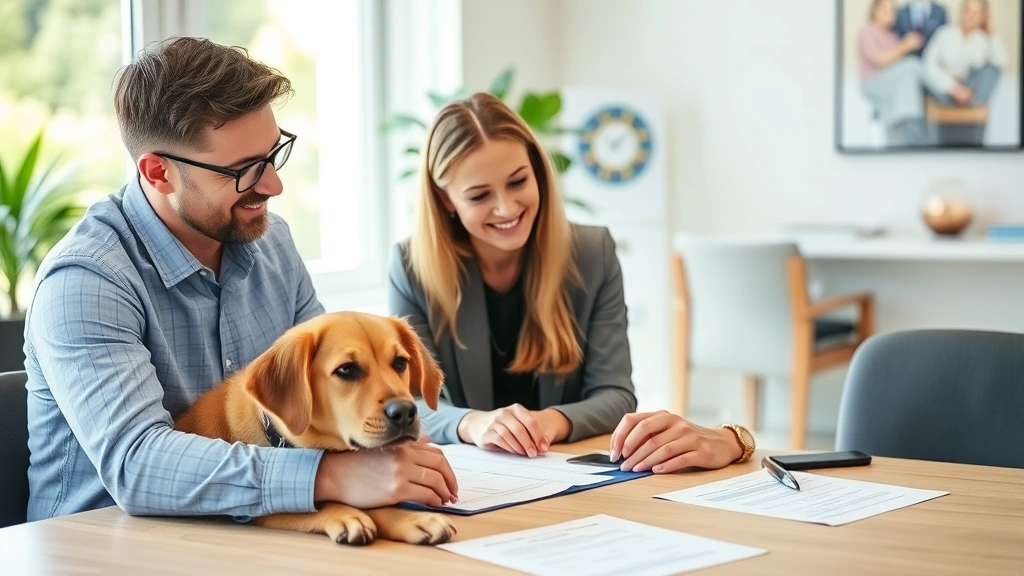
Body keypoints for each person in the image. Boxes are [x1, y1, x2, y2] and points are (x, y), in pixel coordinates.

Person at [24, 37, 457, 522]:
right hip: (101, 546)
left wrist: (464, 427)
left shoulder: (270, 243)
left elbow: (334, 397)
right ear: (158, 171)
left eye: (273, 154)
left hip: (251, 530)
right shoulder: (87, 281)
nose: (273, 184)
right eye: (244, 169)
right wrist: (328, 478)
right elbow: (137, 465)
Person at [388, 92, 754, 473]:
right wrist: (473, 423)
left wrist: (548, 421)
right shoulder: (411, 267)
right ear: (445, 200)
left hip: (568, 468)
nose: (507, 208)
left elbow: (616, 395)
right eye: (479, 195)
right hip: (472, 478)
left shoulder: (592, 253)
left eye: (518, 182)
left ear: (538, 171)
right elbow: (408, 402)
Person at [858, 0, 932, 146]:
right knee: (912, 64)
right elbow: (880, 60)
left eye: (892, 10)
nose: (889, 14)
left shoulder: (892, 36)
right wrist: (905, 46)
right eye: (885, 9)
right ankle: (946, 91)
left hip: (891, 85)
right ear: (875, 11)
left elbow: (897, 68)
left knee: (908, 79)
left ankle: (911, 127)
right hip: (873, 83)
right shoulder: (867, 31)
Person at [923, 0, 1005, 108]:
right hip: (944, 91)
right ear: (961, 11)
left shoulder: (984, 40)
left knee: (991, 70)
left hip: (971, 94)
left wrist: (990, 33)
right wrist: (953, 88)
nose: (970, 16)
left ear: (983, 17)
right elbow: (928, 65)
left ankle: (974, 110)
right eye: (968, 11)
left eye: (976, 13)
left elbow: (1000, 63)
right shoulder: (944, 34)